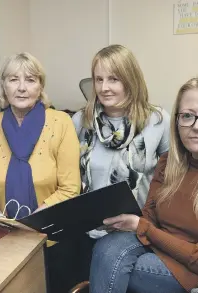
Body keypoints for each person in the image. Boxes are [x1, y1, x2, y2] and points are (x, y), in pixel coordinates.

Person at [89, 74, 198, 293]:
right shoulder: (168, 162)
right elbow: (149, 219)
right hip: (158, 249)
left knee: (122, 267)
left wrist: (145, 230)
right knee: (105, 247)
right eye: (188, 116)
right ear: (177, 121)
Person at [0, 52, 81, 293]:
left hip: (53, 237)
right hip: (4, 236)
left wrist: (31, 224)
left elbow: (70, 187)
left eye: (30, 80)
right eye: (13, 79)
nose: (22, 88)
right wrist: (3, 222)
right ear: (3, 86)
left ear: (40, 85)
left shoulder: (61, 123)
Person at [73, 44, 170, 211]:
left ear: (131, 80)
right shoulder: (82, 120)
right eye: (99, 79)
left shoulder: (157, 120)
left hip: (136, 226)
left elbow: (172, 178)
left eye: (113, 79)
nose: (104, 88)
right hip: (88, 223)